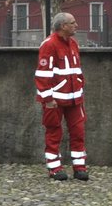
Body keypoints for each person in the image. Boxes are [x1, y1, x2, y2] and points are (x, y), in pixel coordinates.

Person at [35, 13, 88, 181]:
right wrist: (48, 98)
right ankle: (54, 168)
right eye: (72, 23)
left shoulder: (73, 44)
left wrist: (80, 87)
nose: (76, 25)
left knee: (78, 132)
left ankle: (79, 167)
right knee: (54, 133)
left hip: (74, 99)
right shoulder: (49, 45)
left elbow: (76, 70)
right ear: (63, 26)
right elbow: (43, 74)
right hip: (55, 100)